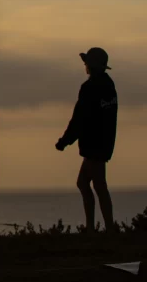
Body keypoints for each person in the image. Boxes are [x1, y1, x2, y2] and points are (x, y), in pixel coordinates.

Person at [55, 47, 118, 233]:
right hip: (104, 144)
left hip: (94, 145)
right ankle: (96, 227)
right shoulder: (109, 85)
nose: (85, 67)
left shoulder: (89, 88)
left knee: (98, 185)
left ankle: (106, 228)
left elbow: (79, 119)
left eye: (87, 64)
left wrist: (64, 141)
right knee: (84, 183)